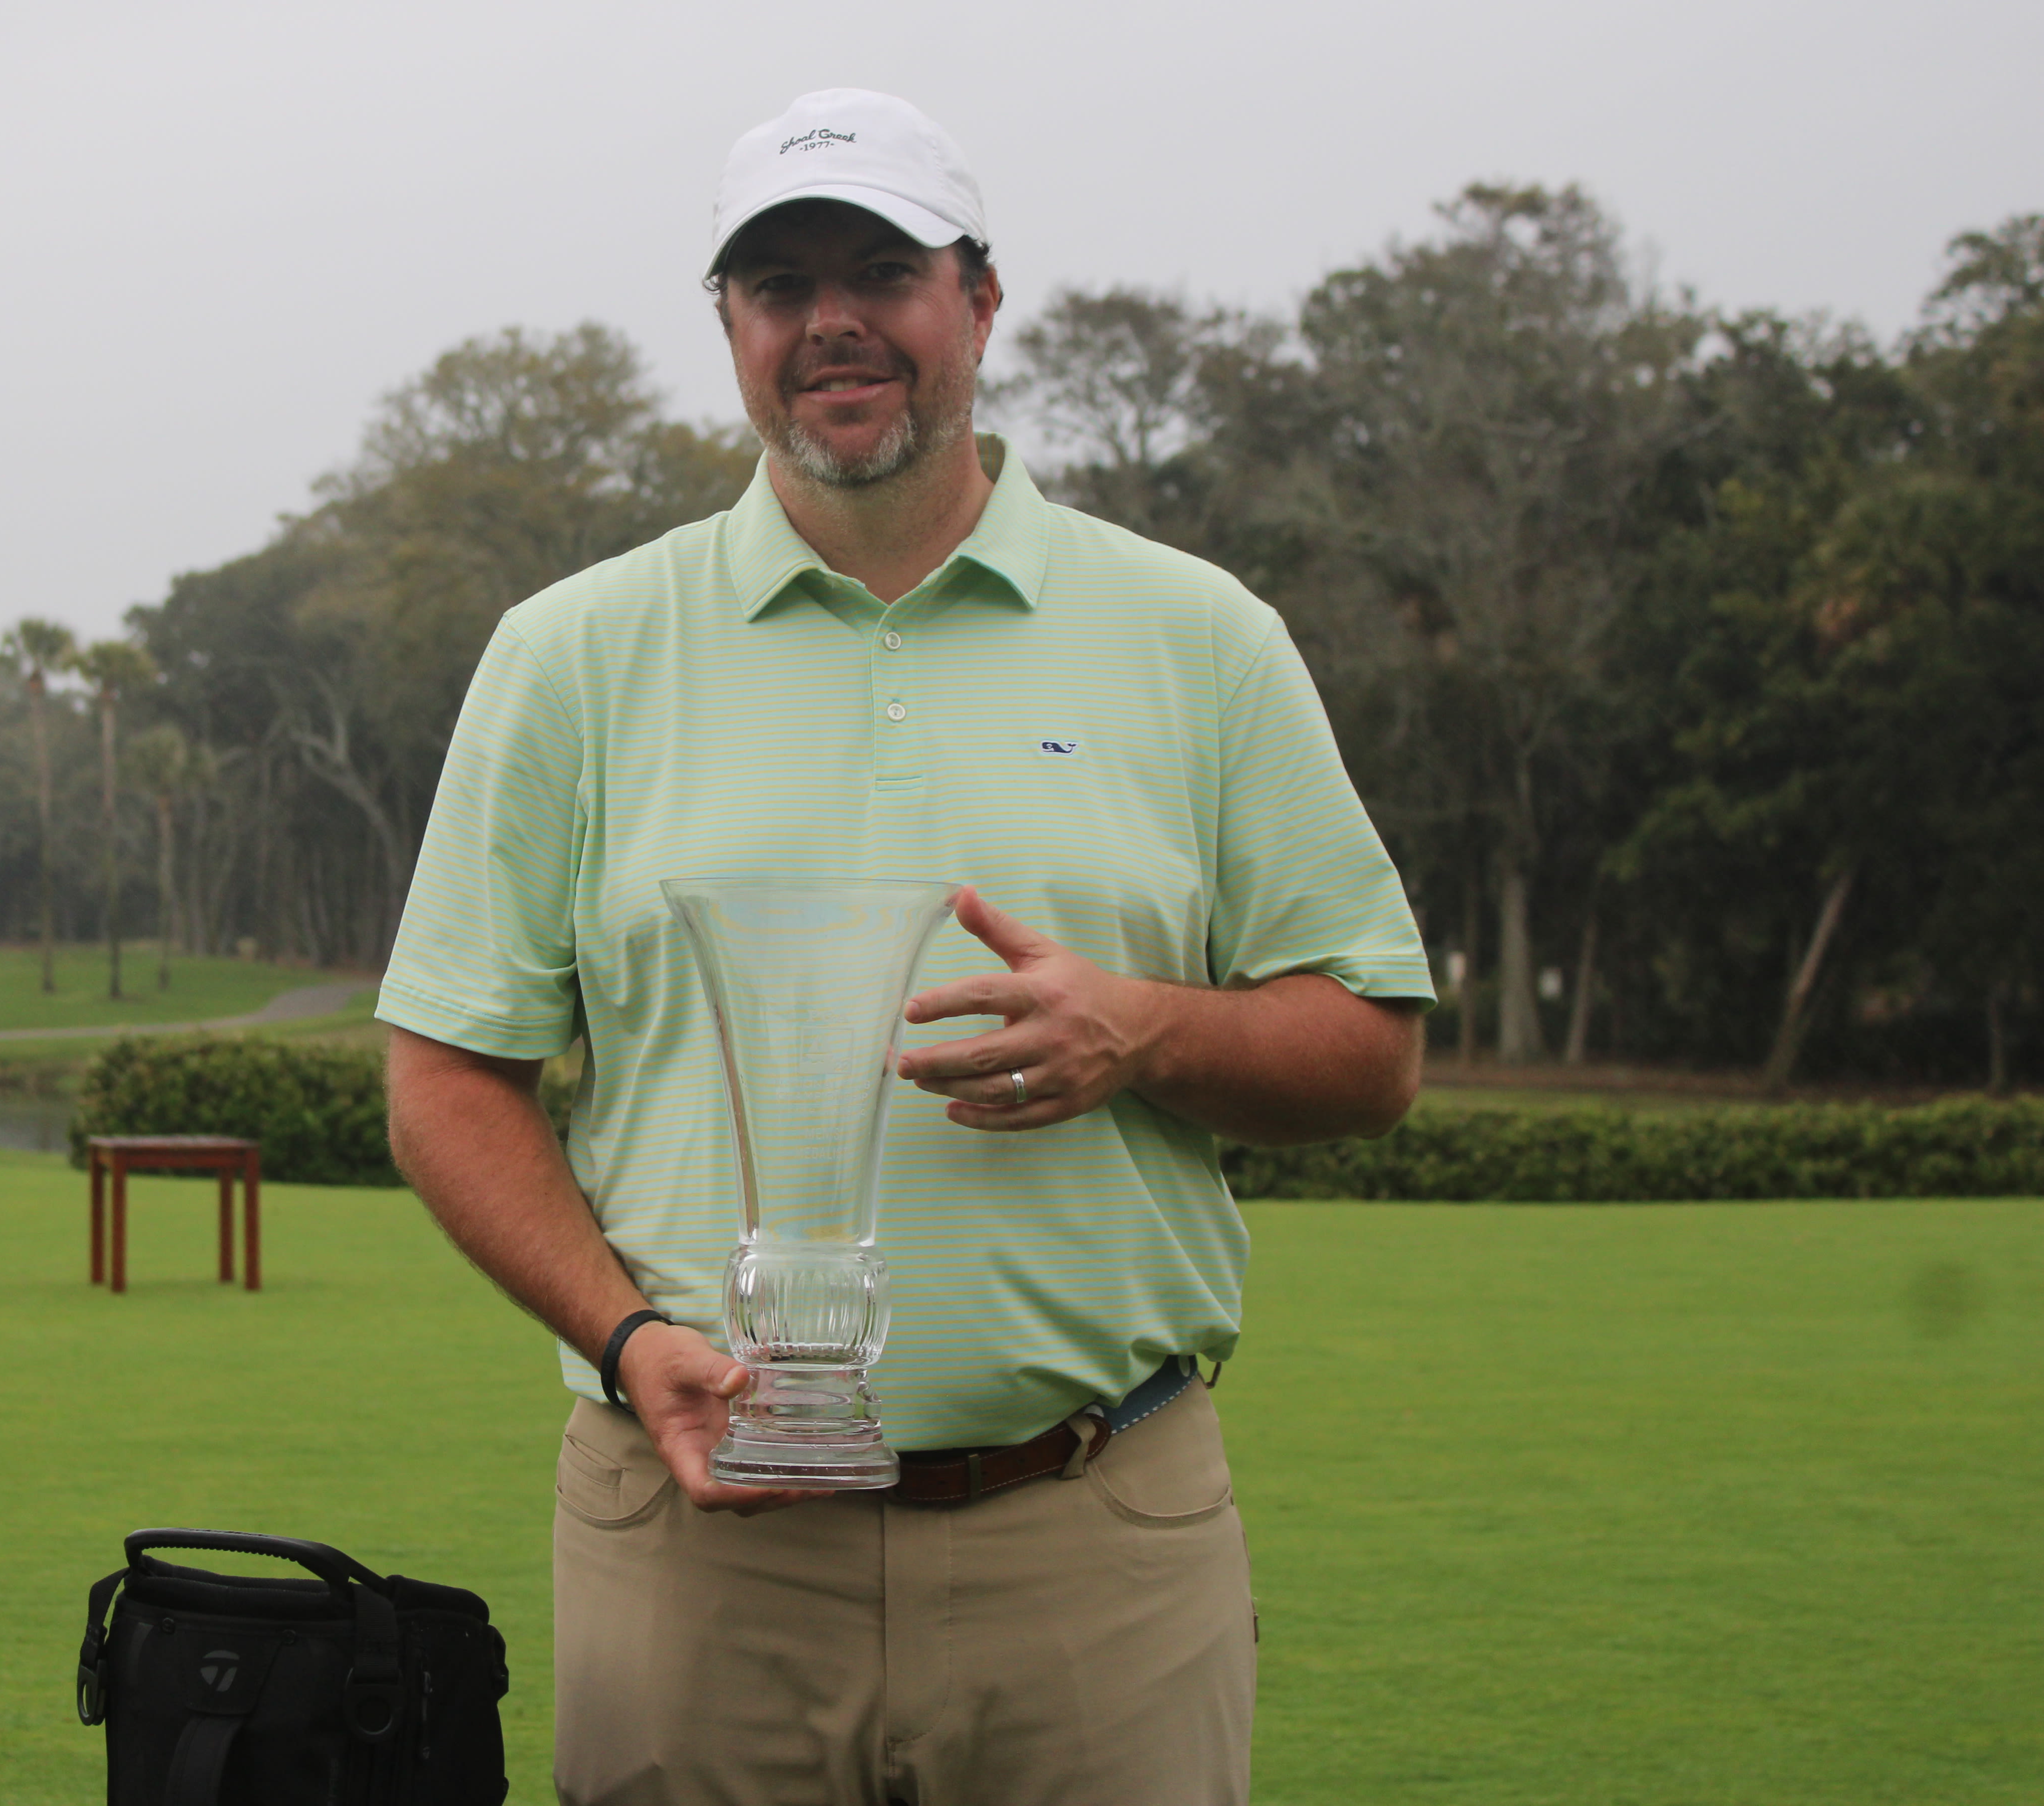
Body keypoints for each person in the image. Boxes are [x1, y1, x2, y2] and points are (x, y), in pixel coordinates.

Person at [377, 88, 1434, 1805]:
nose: (832, 321)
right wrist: (634, 1344)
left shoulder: (1197, 637)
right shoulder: (572, 655)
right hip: (694, 1544)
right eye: (778, 285)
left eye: (884, 267)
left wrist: (1144, 1033)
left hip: (1093, 1534)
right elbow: (444, 1077)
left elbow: (1371, 1049)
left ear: (982, 304)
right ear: (728, 328)